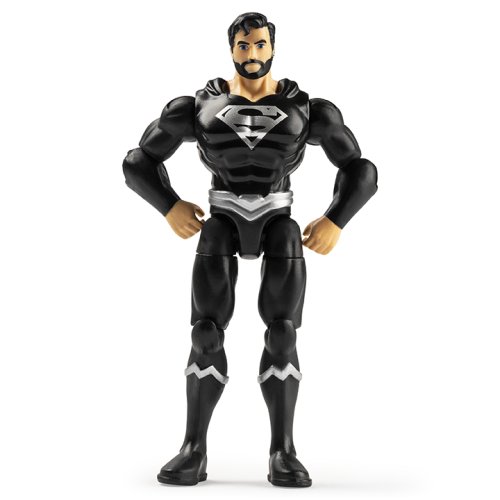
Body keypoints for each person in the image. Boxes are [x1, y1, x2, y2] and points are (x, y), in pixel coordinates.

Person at [123, 12, 378, 488]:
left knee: (282, 334)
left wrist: (336, 219)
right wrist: (169, 205)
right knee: (205, 334)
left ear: (273, 48)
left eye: (260, 44)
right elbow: (139, 161)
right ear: (232, 49)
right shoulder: (198, 108)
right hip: (220, 220)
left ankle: (283, 450)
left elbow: (360, 168)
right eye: (244, 45)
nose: (252, 54)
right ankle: (193, 449)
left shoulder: (307, 111)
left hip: (279, 222)